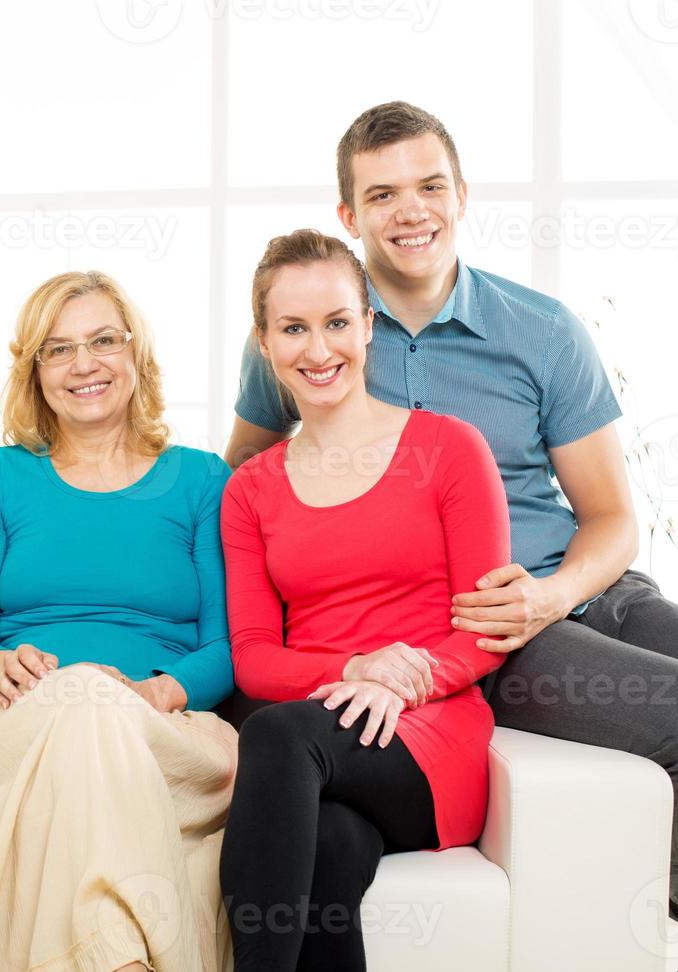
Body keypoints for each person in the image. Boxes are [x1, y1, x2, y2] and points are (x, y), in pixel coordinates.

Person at [224, 102, 678, 916]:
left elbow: (612, 515)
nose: (411, 211)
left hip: (585, 589)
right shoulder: (323, 334)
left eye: (429, 185)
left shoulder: (540, 332)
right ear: (349, 214)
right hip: (493, 628)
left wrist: (553, 591)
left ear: (462, 194)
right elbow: (249, 482)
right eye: (382, 194)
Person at [218, 230, 510, 972]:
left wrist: (396, 679)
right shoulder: (250, 487)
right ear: (264, 342)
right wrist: (355, 665)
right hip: (322, 740)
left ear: (369, 323)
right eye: (293, 328)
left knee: (281, 737)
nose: (319, 350)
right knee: (327, 850)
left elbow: (484, 633)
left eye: (338, 322)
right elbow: (253, 659)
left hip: (428, 735)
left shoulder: (449, 448)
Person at [0, 270, 238, 972]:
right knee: (79, 701)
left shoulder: (201, 479)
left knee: (93, 710)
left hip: (165, 725)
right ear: (34, 371)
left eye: (104, 340)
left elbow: (231, 644)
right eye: (58, 348)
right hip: (19, 720)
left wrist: (155, 694)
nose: (84, 365)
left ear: (137, 354)